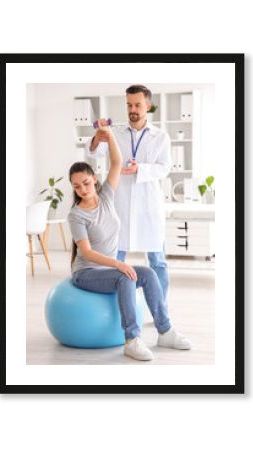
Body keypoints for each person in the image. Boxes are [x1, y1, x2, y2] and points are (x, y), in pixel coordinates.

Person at [68, 120, 191, 362]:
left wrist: (109, 135)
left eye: (86, 182)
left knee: (148, 273)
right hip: (87, 272)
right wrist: (118, 264)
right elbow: (87, 253)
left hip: (106, 269)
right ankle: (132, 339)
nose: (83, 189)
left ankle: (165, 331)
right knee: (125, 275)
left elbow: (116, 162)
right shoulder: (76, 214)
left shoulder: (106, 197)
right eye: (77, 186)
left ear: (94, 179)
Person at [87, 85, 171, 307]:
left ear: (148, 106)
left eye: (137, 105)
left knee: (158, 261)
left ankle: (159, 308)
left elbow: (164, 168)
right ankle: (112, 306)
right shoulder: (117, 134)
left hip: (148, 206)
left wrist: (140, 168)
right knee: (115, 258)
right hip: (120, 205)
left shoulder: (160, 136)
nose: (132, 109)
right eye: (129, 105)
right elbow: (95, 152)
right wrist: (97, 138)